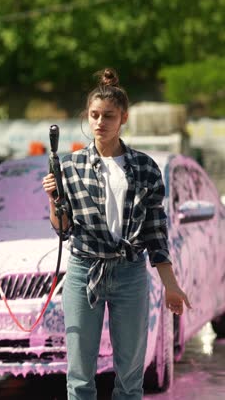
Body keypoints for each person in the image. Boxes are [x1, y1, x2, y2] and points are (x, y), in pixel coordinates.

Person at [42, 67, 191, 400]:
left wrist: (171, 285)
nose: (99, 122)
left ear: (123, 117)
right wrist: (53, 200)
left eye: (108, 116)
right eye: (94, 115)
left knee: (130, 377)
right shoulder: (69, 166)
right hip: (84, 272)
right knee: (80, 377)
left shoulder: (145, 167)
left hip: (130, 274)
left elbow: (156, 230)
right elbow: (63, 230)